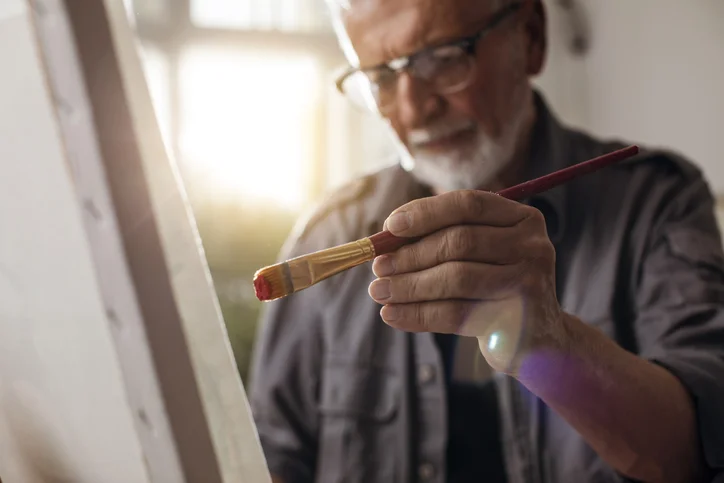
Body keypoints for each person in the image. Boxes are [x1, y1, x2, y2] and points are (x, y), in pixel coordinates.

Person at [249, 0, 724, 482]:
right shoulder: (329, 232)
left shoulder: (655, 203)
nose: (414, 109)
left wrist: (551, 343)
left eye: (443, 57)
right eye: (381, 78)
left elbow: (698, 453)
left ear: (532, 38)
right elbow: (267, 456)